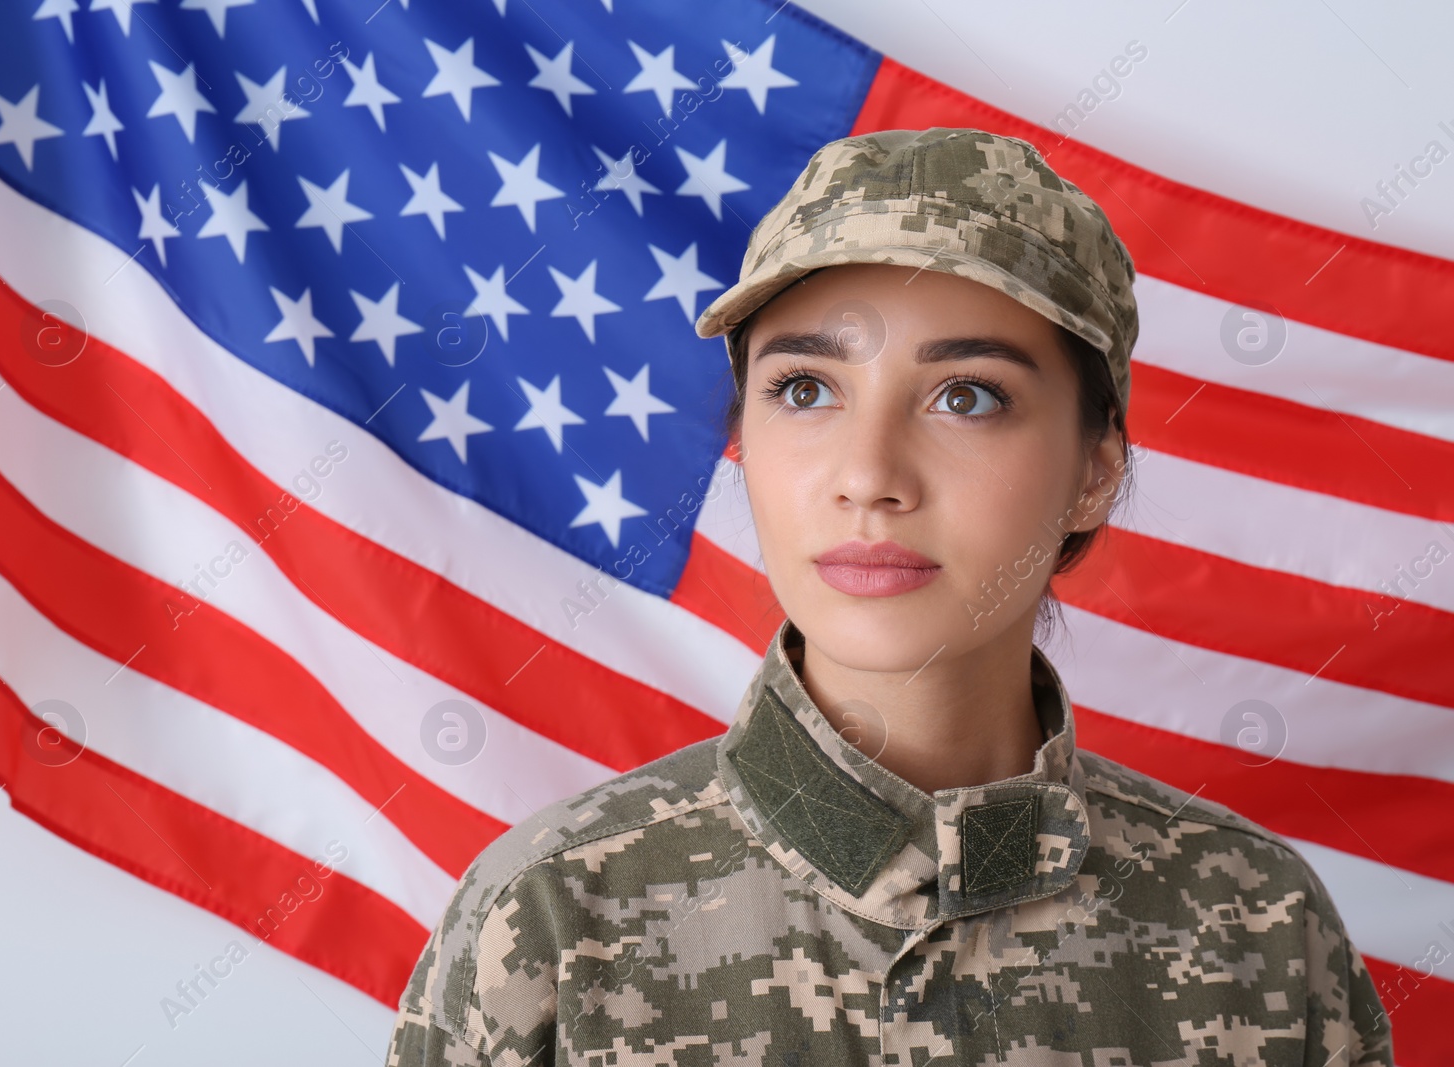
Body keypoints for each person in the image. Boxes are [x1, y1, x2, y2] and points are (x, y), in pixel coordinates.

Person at [384, 128, 1392, 1066]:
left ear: (1093, 471)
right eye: (807, 389)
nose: (867, 474)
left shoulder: (1259, 927)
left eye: (968, 396)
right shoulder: (555, 917)